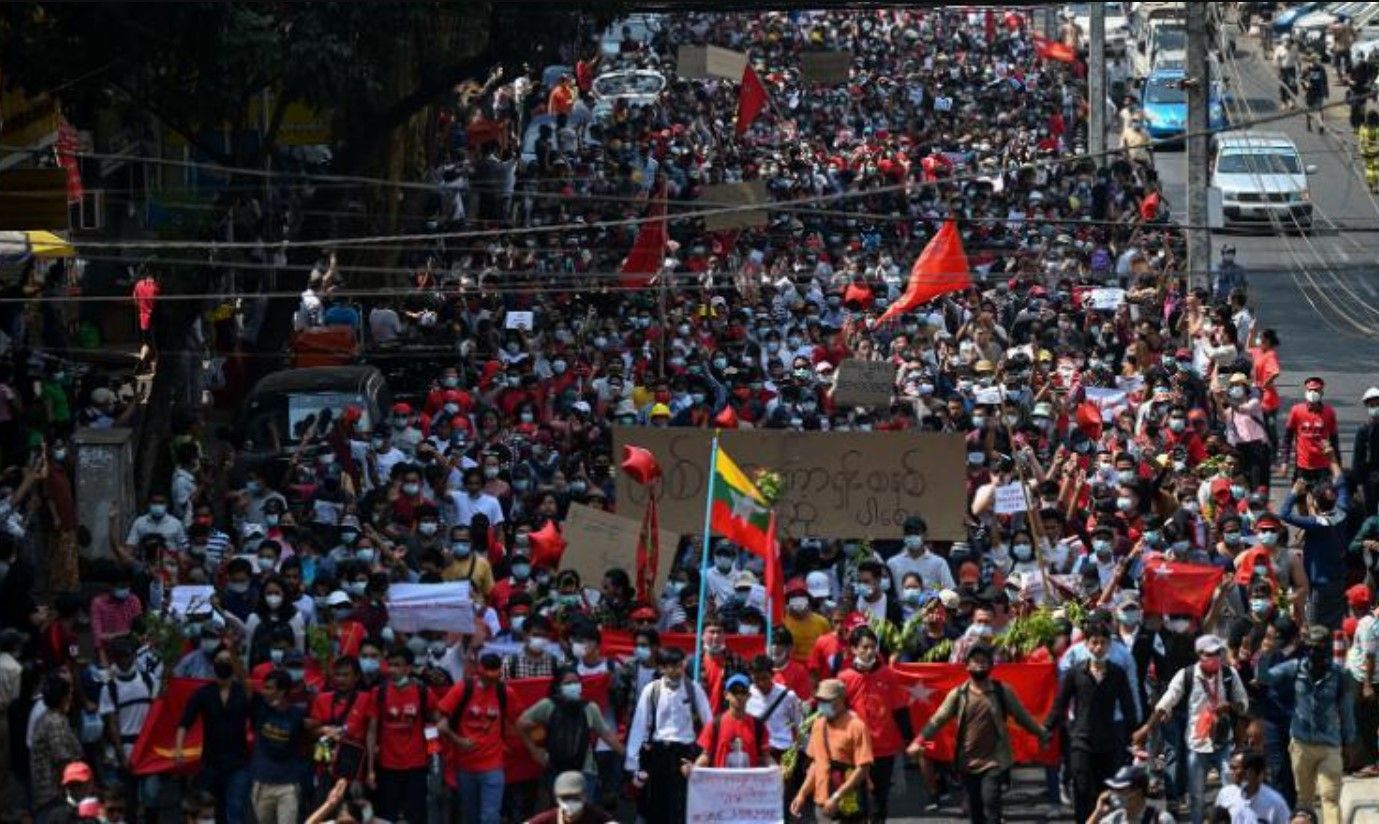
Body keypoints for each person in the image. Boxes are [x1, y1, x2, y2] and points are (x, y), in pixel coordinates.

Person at [909, 644, 1049, 824]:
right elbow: (938, 719)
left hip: (994, 760)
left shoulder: (1001, 691)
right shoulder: (958, 694)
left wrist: (1041, 734)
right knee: (974, 811)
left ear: (991, 665)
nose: (980, 665)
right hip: (967, 761)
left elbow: (1023, 717)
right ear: (967, 665)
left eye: (984, 661)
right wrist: (919, 740)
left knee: (991, 806)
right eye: (975, 661)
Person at [1133, 634, 1250, 824]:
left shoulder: (1229, 675)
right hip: (1197, 744)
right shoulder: (1186, 675)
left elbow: (1243, 705)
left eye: (1215, 654)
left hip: (1223, 743)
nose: (1211, 658)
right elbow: (1164, 704)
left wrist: (1229, 706)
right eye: (1207, 654)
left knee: (1232, 791)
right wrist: (1146, 728)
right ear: (1199, 655)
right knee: (1196, 798)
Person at [1256, 625, 1355, 824]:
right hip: (1301, 745)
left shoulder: (1339, 675)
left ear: (1326, 649)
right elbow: (1265, 678)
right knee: (1305, 802)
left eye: (1318, 648)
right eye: (1309, 648)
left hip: (1330, 746)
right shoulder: (1295, 668)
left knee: (1329, 797)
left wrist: (1349, 742)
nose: (1313, 653)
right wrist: (1264, 656)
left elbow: (1347, 711)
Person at [1044, 622, 1139, 824]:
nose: (1098, 648)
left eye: (1103, 643)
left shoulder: (1117, 673)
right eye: (1094, 643)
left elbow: (1129, 707)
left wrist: (1136, 737)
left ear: (1109, 646)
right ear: (1086, 644)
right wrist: (1046, 729)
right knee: (1082, 791)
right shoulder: (1075, 673)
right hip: (1081, 741)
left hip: (1109, 742)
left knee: (1108, 793)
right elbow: (1060, 704)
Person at [624, 647, 712, 824]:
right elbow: (640, 724)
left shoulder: (692, 688)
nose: (675, 670)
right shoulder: (652, 690)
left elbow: (708, 723)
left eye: (679, 666)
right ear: (662, 668)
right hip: (659, 754)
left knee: (682, 806)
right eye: (670, 666)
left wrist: (706, 755)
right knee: (656, 805)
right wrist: (633, 761)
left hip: (685, 755)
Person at [176, 645, 251, 824]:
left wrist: (234, 655)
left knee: (235, 810)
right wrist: (179, 749)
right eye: (220, 661)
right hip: (211, 763)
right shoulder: (203, 693)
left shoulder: (242, 692)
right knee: (211, 811)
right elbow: (184, 722)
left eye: (227, 661)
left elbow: (248, 686)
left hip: (238, 763)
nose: (223, 665)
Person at [516, 666, 624, 790]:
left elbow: (607, 735)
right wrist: (534, 751)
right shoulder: (548, 705)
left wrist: (627, 756)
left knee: (583, 808)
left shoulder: (590, 707)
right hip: (556, 770)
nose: (573, 686)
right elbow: (521, 724)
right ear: (558, 686)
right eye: (568, 683)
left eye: (576, 682)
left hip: (585, 771)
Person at [791, 678, 873, 824]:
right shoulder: (818, 724)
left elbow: (863, 768)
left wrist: (837, 797)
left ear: (841, 699)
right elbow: (815, 765)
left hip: (849, 803)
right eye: (820, 700)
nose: (822, 704)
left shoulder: (856, 726)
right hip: (822, 802)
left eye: (827, 700)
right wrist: (802, 795)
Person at [366, 647, 430, 824]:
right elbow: (371, 731)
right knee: (387, 818)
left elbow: (437, 720)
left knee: (416, 817)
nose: (392, 669)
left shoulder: (422, 692)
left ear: (408, 668)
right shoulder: (379, 693)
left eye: (398, 665)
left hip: (416, 766)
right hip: (388, 767)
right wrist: (371, 770)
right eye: (390, 665)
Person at [248, 670, 309, 824]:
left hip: (288, 785)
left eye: (269, 688)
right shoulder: (259, 707)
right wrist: (232, 651)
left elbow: (311, 730)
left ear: (281, 692)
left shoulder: (297, 714)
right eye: (264, 687)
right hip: (262, 782)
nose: (264, 691)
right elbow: (243, 681)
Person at [1214, 750, 1292, 824]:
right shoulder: (1225, 794)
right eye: (1231, 768)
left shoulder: (1275, 802)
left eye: (1235, 768)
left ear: (1257, 773)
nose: (1231, 772)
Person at [1086, 764, 1175, 823]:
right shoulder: (1115, 819)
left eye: (1121, 789)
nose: (1115, 793)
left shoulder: (1160, 820)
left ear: (1138, 791)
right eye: (1114, 789)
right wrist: (1098, 812)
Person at [524, 771, 614, 824]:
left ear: (585, 797)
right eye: (565, 798)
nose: (570, 804)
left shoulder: (595, 816)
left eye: (575, 798)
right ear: (556, 799)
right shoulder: (549, 818)